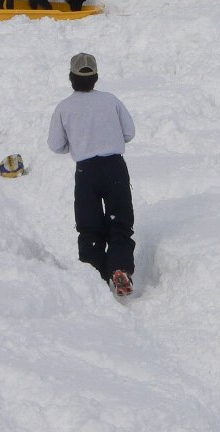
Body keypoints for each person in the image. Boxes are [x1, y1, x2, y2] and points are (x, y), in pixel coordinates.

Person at [47, 52, 137, 296]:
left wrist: (77, 143)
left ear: (71, 77)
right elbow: (129, 132)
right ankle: (119, 267)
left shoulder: (64, 108)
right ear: (96, 77)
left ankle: (94, 280)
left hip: (86, 172)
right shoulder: (110, 100)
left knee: (89, 228)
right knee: (120, 222)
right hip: (115, 168)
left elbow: (55, 145)